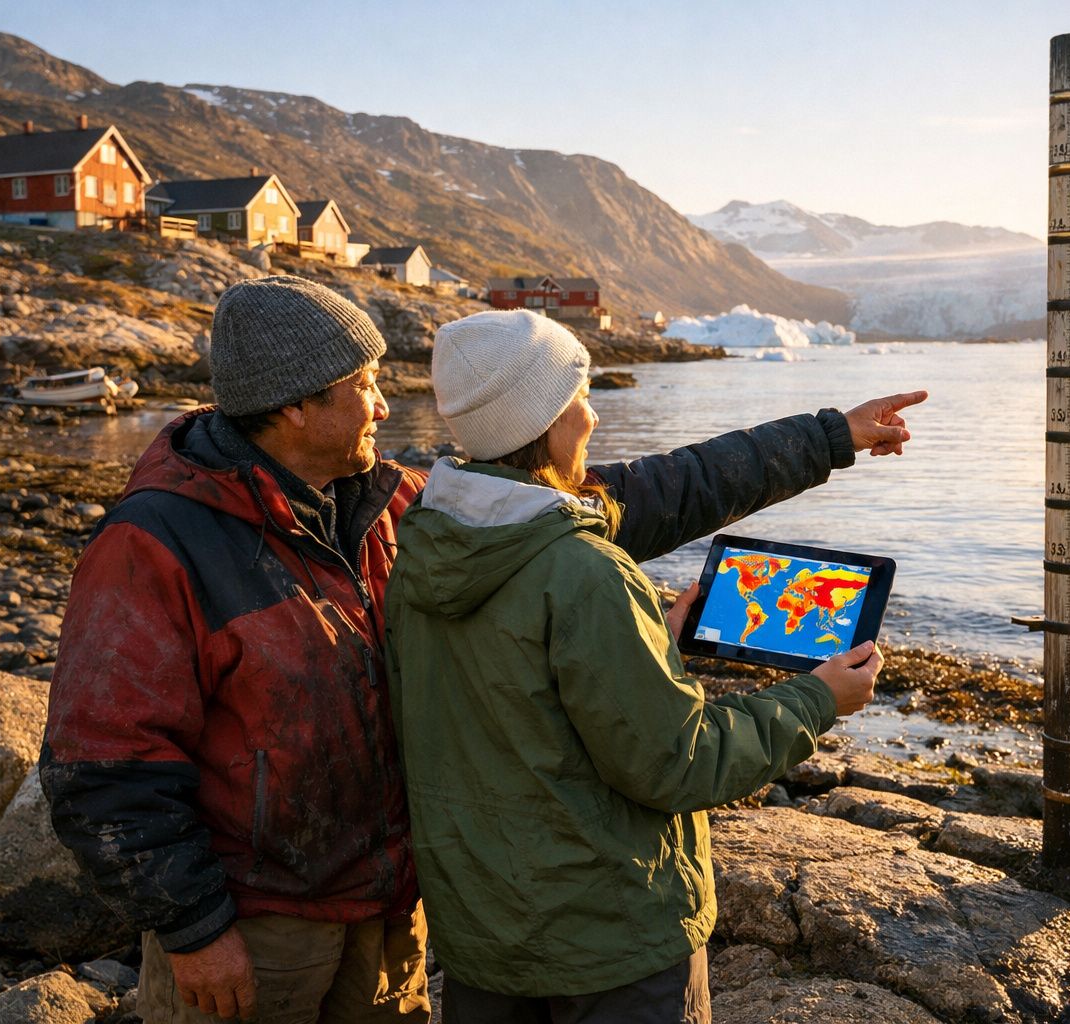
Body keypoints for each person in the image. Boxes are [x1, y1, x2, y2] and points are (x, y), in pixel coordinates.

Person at [41, 277, 925, 1024]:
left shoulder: (410, 514)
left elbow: (651, 494)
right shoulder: (159, 543)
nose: (383, 405)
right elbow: (103, 766)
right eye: (363, 386)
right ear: (296, 406)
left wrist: (828, 439)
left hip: (398, 915)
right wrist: (194, 928)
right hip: (259, 927)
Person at [383, 309, 918, 1023]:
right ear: (543, 420)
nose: (593, 416)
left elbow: (513, 705)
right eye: (579, 397)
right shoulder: (585, 570)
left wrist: (646, 640)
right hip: (612, 946)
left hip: (487, 939)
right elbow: (679, 762)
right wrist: (817, 699)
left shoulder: (423, 550)